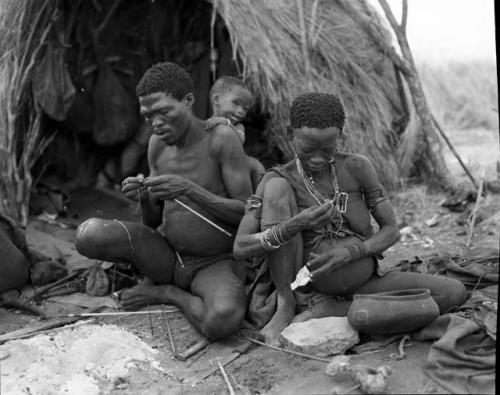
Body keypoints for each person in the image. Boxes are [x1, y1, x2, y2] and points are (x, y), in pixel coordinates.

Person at [233, 93, 467, 342]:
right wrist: (295, 224)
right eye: (308, 148)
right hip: (310, 288)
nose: (317, 158)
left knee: (453, 293)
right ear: (290, 134)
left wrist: (353, 252)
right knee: (276, 187)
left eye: (327, 148)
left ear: (340, 134)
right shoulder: (276, 179)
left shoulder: (357, 168)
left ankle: (338, 312)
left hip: (366, 282)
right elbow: (241, 247)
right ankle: (287, 306)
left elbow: (391, 230)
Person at [76, 62, 253, 340]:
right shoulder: (157, 146)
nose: (156, 123)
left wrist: (190, 190)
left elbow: (248, 212)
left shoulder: (221, 140)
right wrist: (145, 198)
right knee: (88, 234)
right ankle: (165, 283)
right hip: (168, 257)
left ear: (189, 101)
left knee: (222, 320)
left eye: (164, 112)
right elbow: (154, 221)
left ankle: (165, 293)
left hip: (214, 261)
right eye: (148, 116)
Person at [206, 76, 265, 189]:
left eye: (245, 109)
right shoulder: (206, 124)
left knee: (257, 168)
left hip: (234, 167)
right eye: (236, 103)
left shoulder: (238, 127)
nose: (240, 111)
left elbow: (238, 141)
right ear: (216, 100)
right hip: (213, 168)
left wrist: (227, 124)